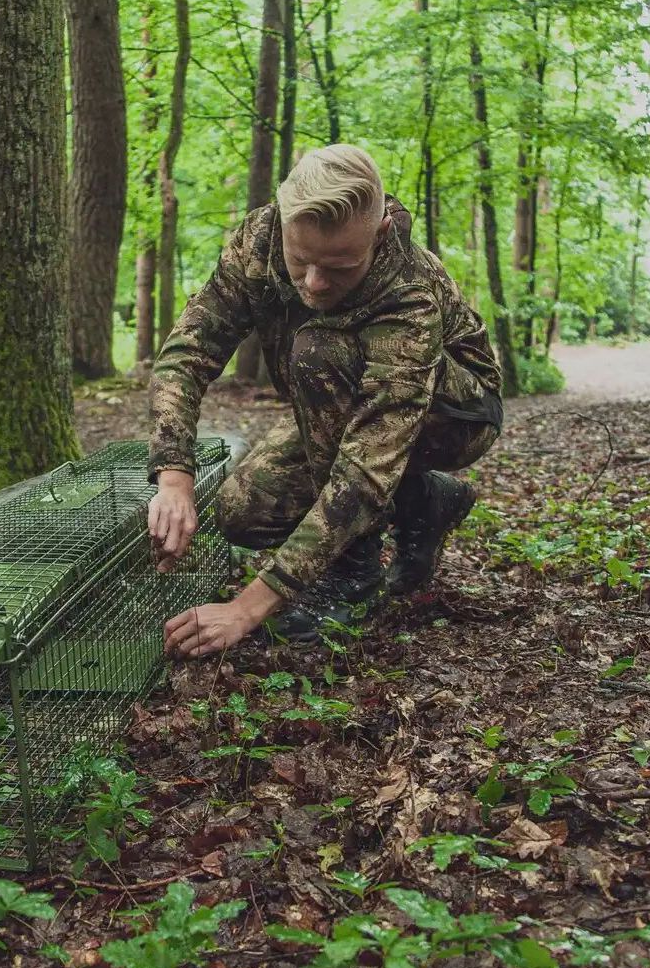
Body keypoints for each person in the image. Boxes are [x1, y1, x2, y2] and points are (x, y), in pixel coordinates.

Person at [147, 144, 503, 659]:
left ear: (378, 235)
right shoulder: (259, 239)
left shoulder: (408, 294)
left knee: (320, 348)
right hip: (346, 411)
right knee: (243, 510)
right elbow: (188, 351)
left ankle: (352, 575)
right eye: (300, 260)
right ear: (284, 220)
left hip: (453, 416)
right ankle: (425, 500)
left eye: (339, 266)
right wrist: (174, 476)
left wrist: (247, 608)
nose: (314, 283)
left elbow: (365, 471)